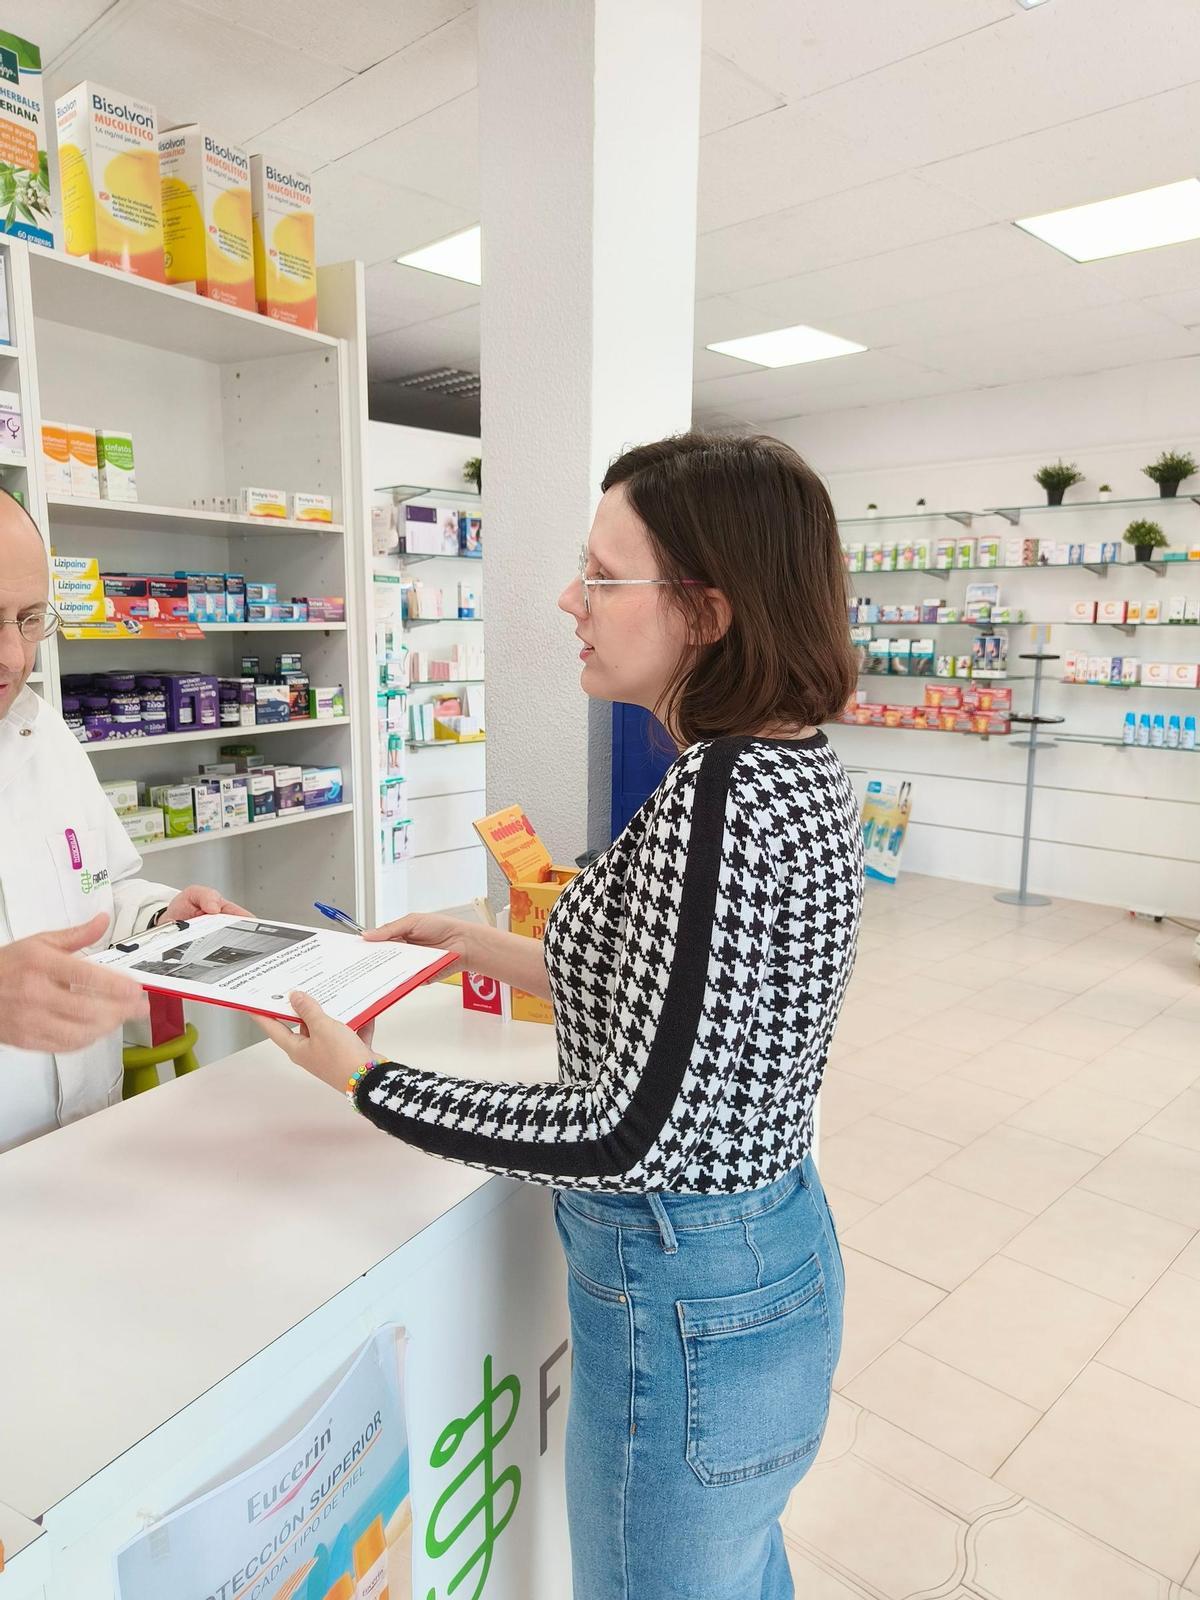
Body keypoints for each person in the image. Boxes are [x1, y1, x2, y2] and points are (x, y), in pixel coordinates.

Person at [261, 432, 863, 1600]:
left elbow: (630, 1131)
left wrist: (369, 1081)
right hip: (764, 1260)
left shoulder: (722, 798)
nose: (567, 599)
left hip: (689, 1299)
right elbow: (689, 1006)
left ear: (708, 610)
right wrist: (478, 942)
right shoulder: (789, 766)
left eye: (601, 574)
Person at [0, 492, 244, 1152]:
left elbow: (101, 893)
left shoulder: (40, 730)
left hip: (86, 1140)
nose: (14, 659)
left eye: (27, 620)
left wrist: (164, 919)